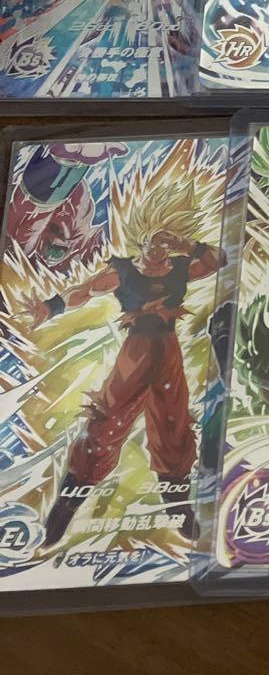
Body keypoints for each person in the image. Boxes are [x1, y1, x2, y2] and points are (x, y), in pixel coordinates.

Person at [20, 181, 223, 546]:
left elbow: (217, 261)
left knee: (174, 424)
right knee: (107, 421)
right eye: (153, 241)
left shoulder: (181, 267)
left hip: (168, 351)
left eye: (165, 242)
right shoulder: (124, 271)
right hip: (136, 352)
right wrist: (50, 308)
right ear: (140, 238)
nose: (158, 249)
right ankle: (65, 507)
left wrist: (186, 244)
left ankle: (179, 503)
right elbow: (84, 291)